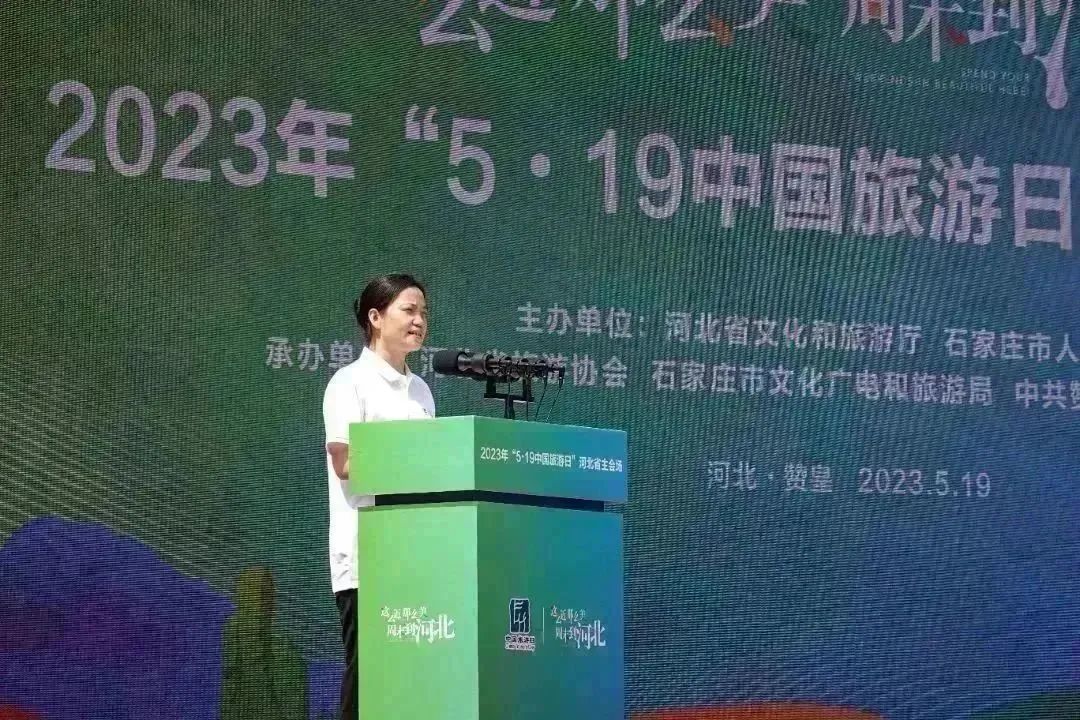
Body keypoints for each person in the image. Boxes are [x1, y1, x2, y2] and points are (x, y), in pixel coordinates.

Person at [322, 273, 435, 720]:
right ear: (375, 317)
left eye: (423, 312)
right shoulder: (348, 383)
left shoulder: (422, 391)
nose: (419, 320)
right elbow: (346, 462)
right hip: (366, 558)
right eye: (409, 310)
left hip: (415, 557)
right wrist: (414, 460)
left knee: (408, 680)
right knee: (369, 675)